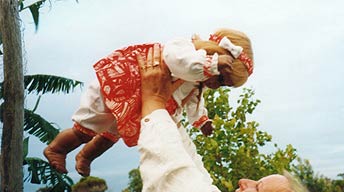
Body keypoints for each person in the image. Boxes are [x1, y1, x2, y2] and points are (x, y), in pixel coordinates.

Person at [137, 44, 319, 192]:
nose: (244, 182)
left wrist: (154, 103)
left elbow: (176, 191)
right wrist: (171, 112)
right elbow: (197, 181)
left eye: (257, 188)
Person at [44, 28, 254, 176]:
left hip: (137, 104)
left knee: (110, 136)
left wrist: (201, 120)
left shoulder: (201, 79)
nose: (216, 84)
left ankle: (86, 157)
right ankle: (57, 149)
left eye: (223, 84)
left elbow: (193, 102)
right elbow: (178, 63)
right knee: (85, 129)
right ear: (215, 51)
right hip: (120, 87)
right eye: (220, 79)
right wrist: (212, 64)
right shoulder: (186, 49)